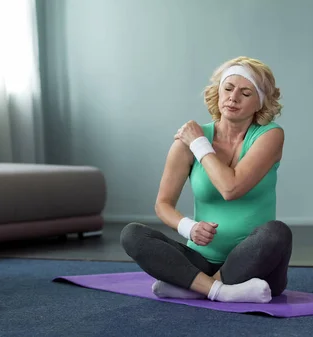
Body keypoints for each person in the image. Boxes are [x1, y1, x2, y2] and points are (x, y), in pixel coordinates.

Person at [120, 56, 292, 303]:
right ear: (218, 92)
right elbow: (163, 204)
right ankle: (219, 291)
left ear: (259, 103)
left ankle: (194, 287)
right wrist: (189, 228)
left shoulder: (269, 136)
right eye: (228, 88)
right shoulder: (187, 142)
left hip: (258, 265)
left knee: (277, 233)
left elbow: (230, 188)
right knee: (132, 234)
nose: (233, 98)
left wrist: (200, 144)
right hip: (200, 261)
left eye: (245, 93)